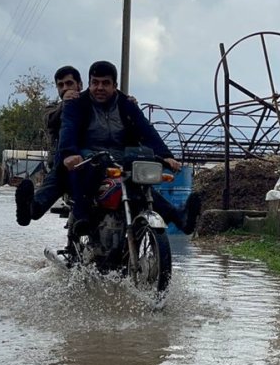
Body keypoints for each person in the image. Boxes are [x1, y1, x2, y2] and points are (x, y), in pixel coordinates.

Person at [53, 60, 200, 236]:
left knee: (140, 187)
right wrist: (69, 153)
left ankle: (178, 217)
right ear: (89, 84)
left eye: (105, 83)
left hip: (120, 159)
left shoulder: (125, 104)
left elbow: (146, 130)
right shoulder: (78, 103)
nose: (100, 88)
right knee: (80, 177)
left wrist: (165, 155)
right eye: (96, 83)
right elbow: (67, 129)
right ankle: (81, 216)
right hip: (85, 160)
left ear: (115, 86)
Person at [15, 65, 82, 227]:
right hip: (63, 164)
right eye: (61, 85)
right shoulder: (53, 108)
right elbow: (50, 120)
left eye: (69, 83)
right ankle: (31, 208)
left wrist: (128, 102)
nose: (65, 88)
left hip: (92, 159)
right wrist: (65, 104)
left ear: (79, 85)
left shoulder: (90, 103)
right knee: (57, 180)